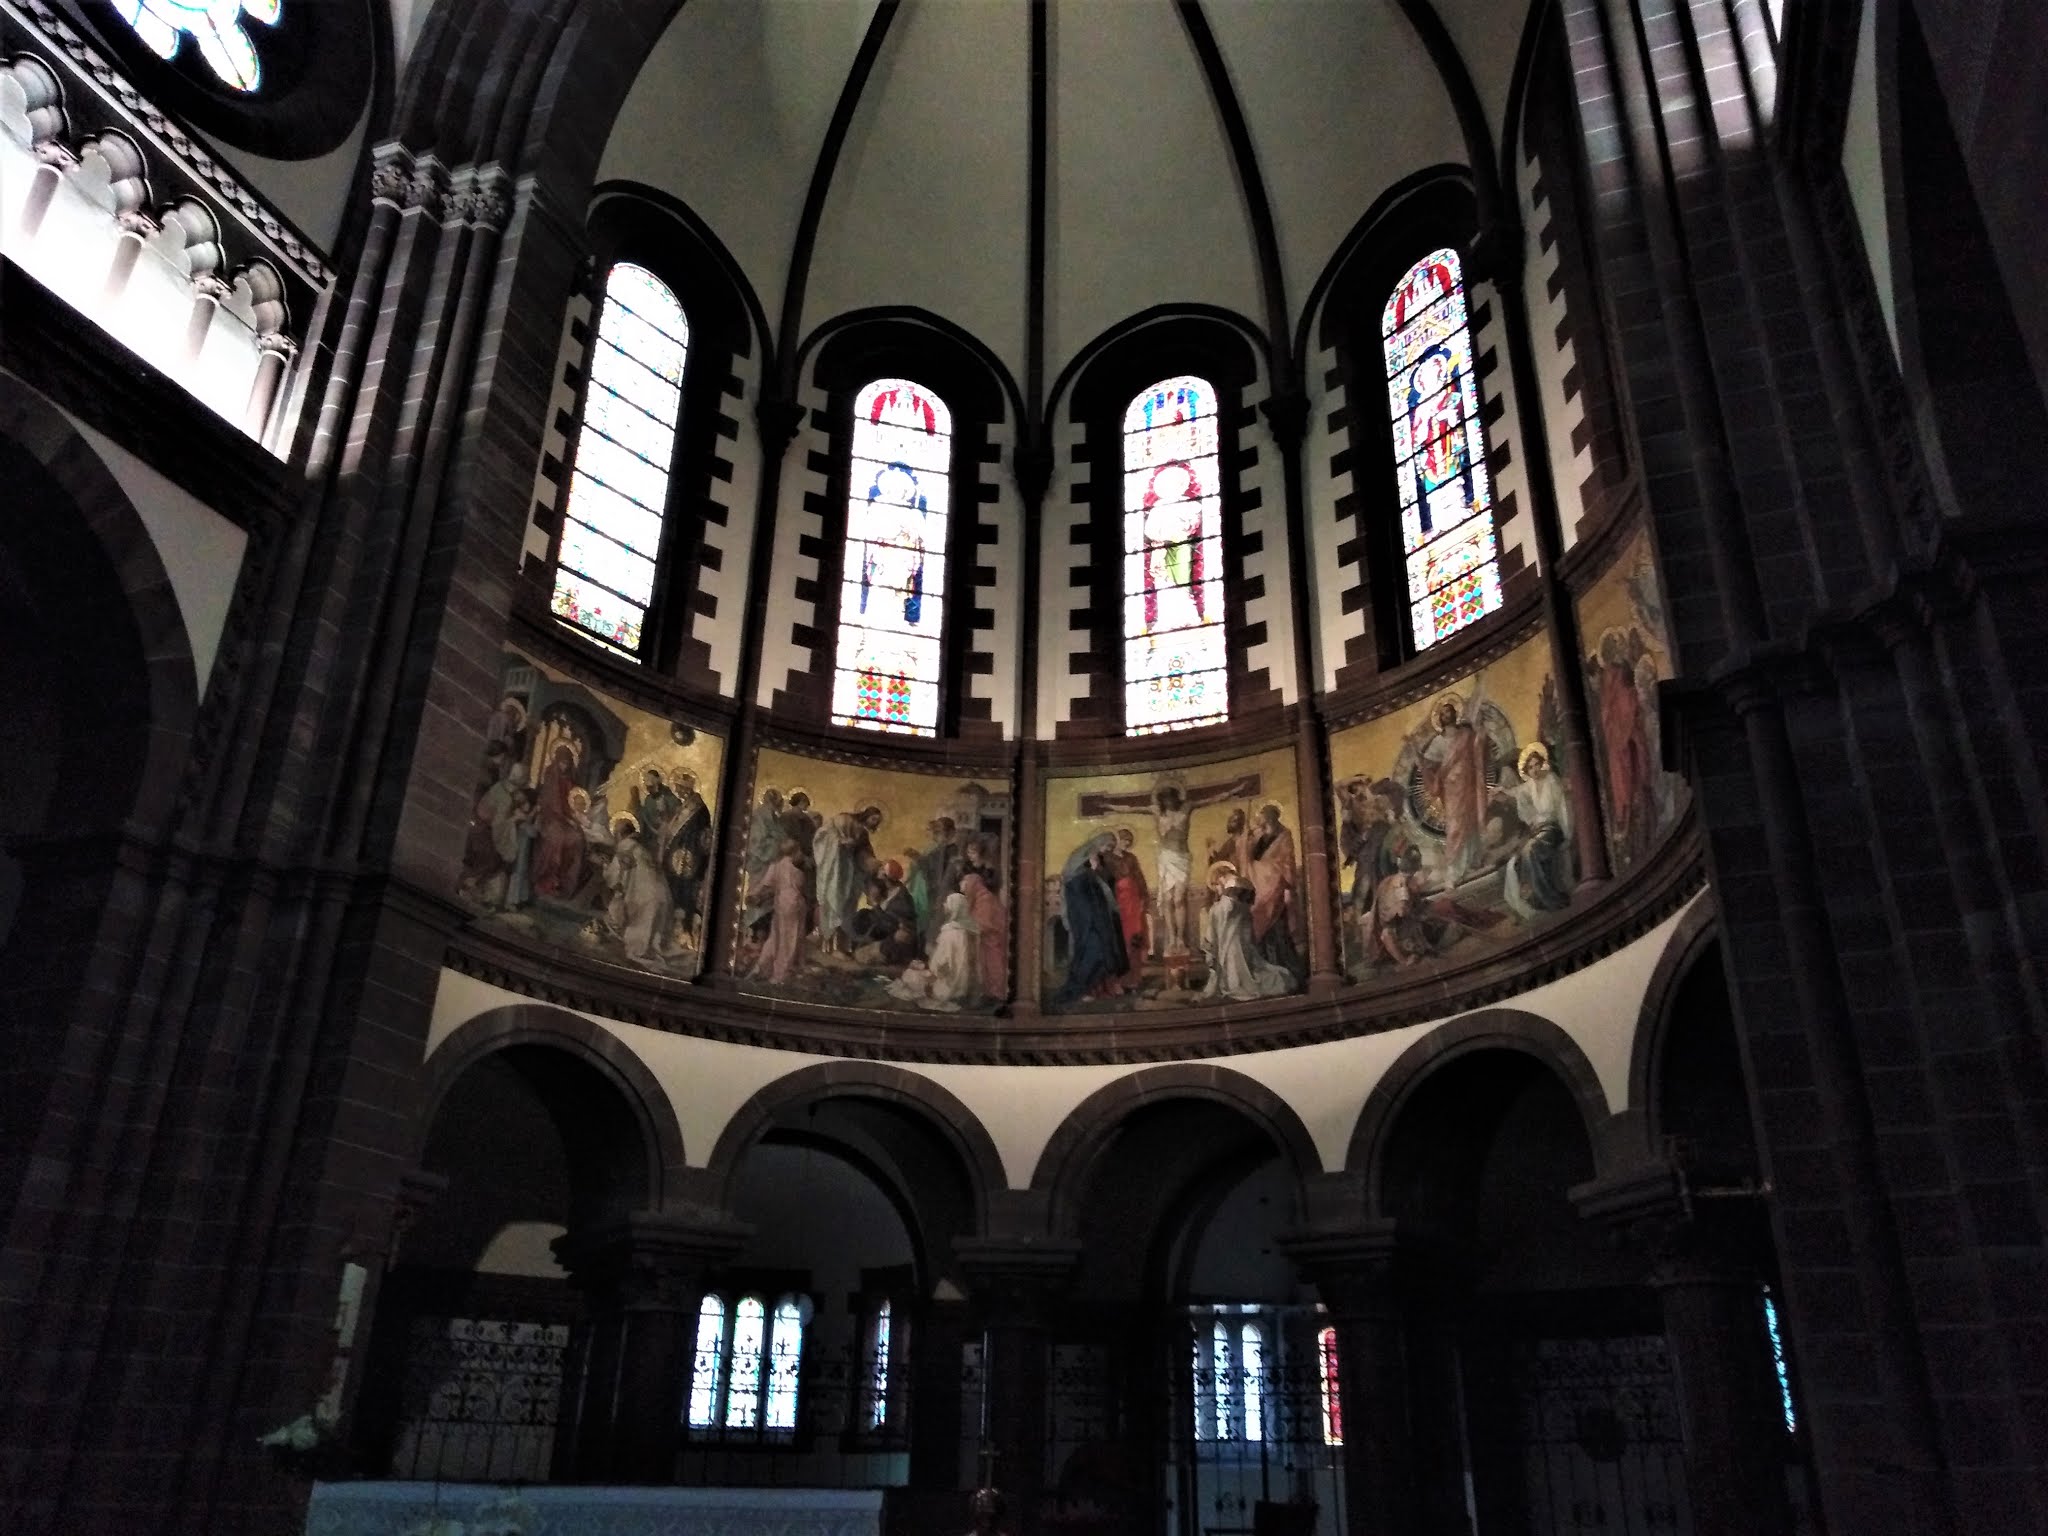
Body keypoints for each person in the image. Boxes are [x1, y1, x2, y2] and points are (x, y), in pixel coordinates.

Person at [1499, 744, 1575, 919]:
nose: (1534, 770)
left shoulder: (1551, 780)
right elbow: (1516, 792)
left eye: (1536, 765)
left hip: (1553, 829)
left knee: (1530, 850)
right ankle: (1535, 897)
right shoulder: (1530, 786)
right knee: (1515, 860)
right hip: (1540, 831)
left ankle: (1549, 897)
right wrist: (1502, 791)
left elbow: (1562, 806)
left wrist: (1568, 831)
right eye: (1530, 767)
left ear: (1542, 764)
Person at [1419, 697, 1490, 882]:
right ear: (1440, 719)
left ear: (1455, 713)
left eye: (1449, 711)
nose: (1446, 715)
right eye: (1443, 714)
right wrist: (1424, 765)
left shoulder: (1466, 734)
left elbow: (1478, 748)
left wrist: (1480, 732)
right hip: (1451, 789)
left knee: (1471, 820)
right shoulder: (1437, 742)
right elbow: (1429, 765)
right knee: (1455, 826)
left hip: (1469, 784)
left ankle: (1474, 860)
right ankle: (1455, 869)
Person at [1200, 866, 1294, 1002]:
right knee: (1240, 967)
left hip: (1233, 939)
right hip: (1238, 936)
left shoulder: (1233, 885)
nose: (1217, 889)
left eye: (1216, 885)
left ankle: (1237, 987)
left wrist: (1213, 911)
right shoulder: (1240, 886)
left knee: (1237, 971)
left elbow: (1228, 909)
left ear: (1220, 877)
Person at [1053, 832, 1126, 1005]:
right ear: (1099, 842)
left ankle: (1094, 989)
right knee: (1090, 949)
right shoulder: (1079, 857)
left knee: (1102, 949)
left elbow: (1104, 885)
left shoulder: (1099, 860)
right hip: (1083, 915)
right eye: (1107, 846)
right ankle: (1079, 989)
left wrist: (1096, 871)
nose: (1108, 850)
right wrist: (1090, 870)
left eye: (1111, 848)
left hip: (1097, 915)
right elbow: (1071, 881)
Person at [814, 806, 884, 953]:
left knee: (846, 911)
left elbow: (864, 854)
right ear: (866, 815)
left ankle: (841, 947)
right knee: (833, 906)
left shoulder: (863, 834)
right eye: (873, 819)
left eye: (877, 821)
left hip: (850, 877)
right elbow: (823, 834)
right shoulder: (845, 819)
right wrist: (839, 842)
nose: (874, 823)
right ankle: (828, 946)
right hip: (836, 872)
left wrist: (871, 862)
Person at [1245, 803, 1303, 980]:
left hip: (1277, 887)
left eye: (1264, 816)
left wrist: (1285, 884)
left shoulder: (1284, 835)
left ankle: (1287, 969)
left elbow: (1287, 862)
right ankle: (1265, 970)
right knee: (1260, 930)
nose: (1260, 819)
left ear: (1272, 816)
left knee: (1279, 930)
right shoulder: (1259, 837)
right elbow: (1249, 860)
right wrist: (1248, 841)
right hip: (1259, 889)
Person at [606, 816, 675, 963]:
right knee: (654, 938)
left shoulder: (624, 847)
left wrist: (604, 866)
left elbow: (613, 879)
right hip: (663, 897)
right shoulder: (641, 848)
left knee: (635, 939)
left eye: (616, 833)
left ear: (619, 834)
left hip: (644, 900)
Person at [462, 761, 530, 908]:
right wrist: (515, 818)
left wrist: (521, 805)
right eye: (525, 778)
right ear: (521, 779)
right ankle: (469, 886)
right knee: (495, 859)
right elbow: (499, 824)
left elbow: (517, 798)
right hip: (483, 830)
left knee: (500, 859)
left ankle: (478, 889)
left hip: (487, 828)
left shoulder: (505, 787)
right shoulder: (504, 794)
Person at [746, 838, 809, 983]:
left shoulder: (776, 866)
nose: (801, 854)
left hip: (780, 904)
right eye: (799, 850)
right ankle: (780, 974)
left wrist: (754, 894)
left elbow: (765, 884)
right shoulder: (795, 869)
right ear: (794, 851)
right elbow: (798, 886)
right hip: (793, 904)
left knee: (775, 937)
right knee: (789, 939)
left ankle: (761, 967)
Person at [530, 742, 586, 899]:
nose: (564, 766)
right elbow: (551, 803)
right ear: (556, 761)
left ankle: (565, 882)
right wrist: (565, 818)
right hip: (549, 818)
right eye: (562, 762)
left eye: (567, 763)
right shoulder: (551, 776)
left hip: (565, 820)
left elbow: (572, 803)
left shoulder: (570, 781)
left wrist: (574, 817)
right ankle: (546, 880)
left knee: (577, 838)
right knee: (557, 838)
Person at [924, 891, 981, 1009]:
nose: (945, 905)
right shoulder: (971, 931)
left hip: (949, 985)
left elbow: (941, 964)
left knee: (913, 977)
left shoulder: (949, 933)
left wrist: (932, 971)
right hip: (966, 984)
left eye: (947, 903)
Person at [1109, 827, 1150, 984]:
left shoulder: (1131, 858)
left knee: (1135, 937)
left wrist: (1143, 898)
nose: (1126, 843)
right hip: (1118, 901)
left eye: (1129, 841)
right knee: (1120, 939)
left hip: (1133, 901)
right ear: (1117, 840)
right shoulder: (1107, 858)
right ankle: (1119, 979)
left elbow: (1139, 878)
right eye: (1124, 840)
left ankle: (1134, 978)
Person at [961, 871, 1007, 999]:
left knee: (994, 966)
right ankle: (990, 993)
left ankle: (997, 993)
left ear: (973, 884)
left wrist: (966, 927)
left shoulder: (985, 898)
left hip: (993, 940)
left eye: (966, 883)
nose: (963, 886)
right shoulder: (979, 897)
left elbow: (984, 924)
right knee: (985, 967)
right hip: (986, 940)